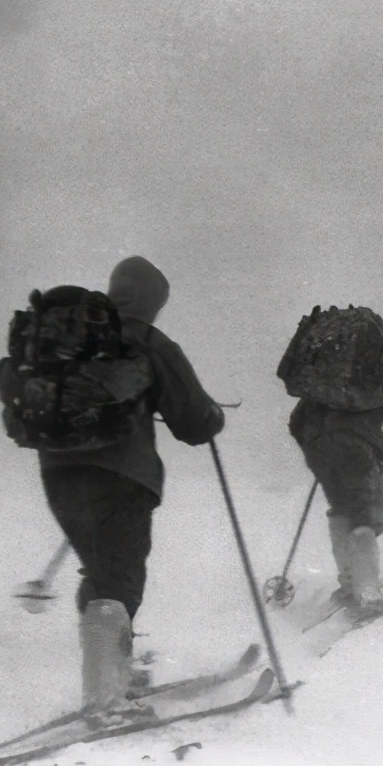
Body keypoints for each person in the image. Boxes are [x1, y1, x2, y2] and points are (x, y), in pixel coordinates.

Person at [35, 256, 225, 723]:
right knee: (118, 578)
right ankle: (106, 700)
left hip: (58, 472)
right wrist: (214, 416)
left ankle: (111, 678)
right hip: (123, 476)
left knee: (101, 571)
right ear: (154, 301)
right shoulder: (148, 340)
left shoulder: (73, 337)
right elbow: (195, 421)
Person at [284, 308, 383, 617]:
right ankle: (367, 592)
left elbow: (296, 422)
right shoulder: (373, 365)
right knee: (365, 512)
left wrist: (315, 446)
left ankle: (349, 584)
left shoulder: (321, 377)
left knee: (341, 508)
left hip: (317, 445)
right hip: (357, 446)